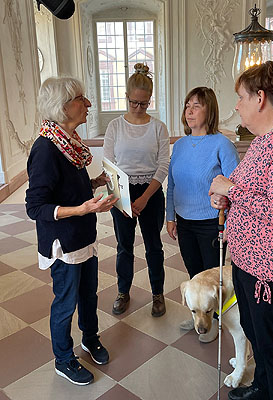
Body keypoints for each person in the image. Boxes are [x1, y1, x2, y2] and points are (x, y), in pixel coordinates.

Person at [209, 61, 273, 400]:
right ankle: (262, 387)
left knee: (272, 346)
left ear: (260, 98)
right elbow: (251, 192)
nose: (236, 105)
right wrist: (227, 200)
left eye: (241, 97)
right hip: (249, 261)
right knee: (255, 333)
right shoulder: (263, 139)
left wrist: (229, 189)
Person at [25, 77, 118, 386]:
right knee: (66, 303)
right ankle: (64, 360)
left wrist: (93, 184)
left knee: (88, 294)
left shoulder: (69, 142)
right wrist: (81, 209)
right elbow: (35, 206)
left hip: (82, 237)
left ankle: (90, 339)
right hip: (63, 244)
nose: (88, 104)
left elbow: (66, 189)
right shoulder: (46, 149)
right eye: (81, 99)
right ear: (61, 107)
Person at [166, 86, 239, 342]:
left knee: (213, 279)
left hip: (212, 223)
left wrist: (231, 223)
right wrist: (170, 216)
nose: (190, 111)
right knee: (194, 273)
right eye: (188, 106)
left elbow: (235, 187)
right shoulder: (181, 145)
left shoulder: (222, 145)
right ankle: (200, 315)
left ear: (210, 110)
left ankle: (216, 320)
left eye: (196, 106)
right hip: (185, 221)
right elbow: (172, 183)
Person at [103, 63, 169, 317]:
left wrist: (143, 197)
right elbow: (109, 164)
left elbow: (163, 165)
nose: (139, 108)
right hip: (121, 192)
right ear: (127, 97)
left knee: (154, 246)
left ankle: (157, 294)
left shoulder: (158, 128)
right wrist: (124, 199)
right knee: (124, 246)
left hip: (150, 193)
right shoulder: (115, 127)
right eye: (134, 103)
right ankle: (123, 292)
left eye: (144, 104)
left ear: (150, 100)